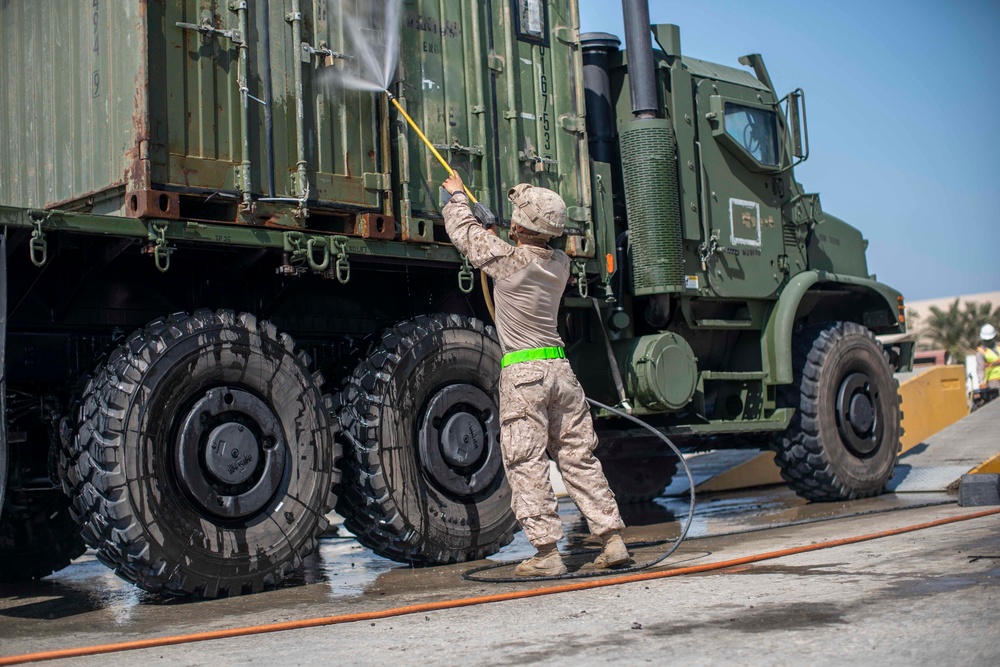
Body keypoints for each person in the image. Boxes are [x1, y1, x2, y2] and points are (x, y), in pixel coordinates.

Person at [441, 171, 629, 577]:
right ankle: (612, 540)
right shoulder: (558, 264)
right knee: (578, 457)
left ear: (517, 226)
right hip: (561, 371)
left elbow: (463, 234)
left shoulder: (508, 261)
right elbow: (510, 252)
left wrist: (457, 196)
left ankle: (547, 554)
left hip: (525, 372)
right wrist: (494, 230)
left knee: (526, 462)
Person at [976, 324, 1000, 390]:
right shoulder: (981, 352)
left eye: (989, 340)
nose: (987, 342)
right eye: (986, 340)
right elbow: (980, 369)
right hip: (993, 381)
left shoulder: (999, 346)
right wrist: (981, 383)